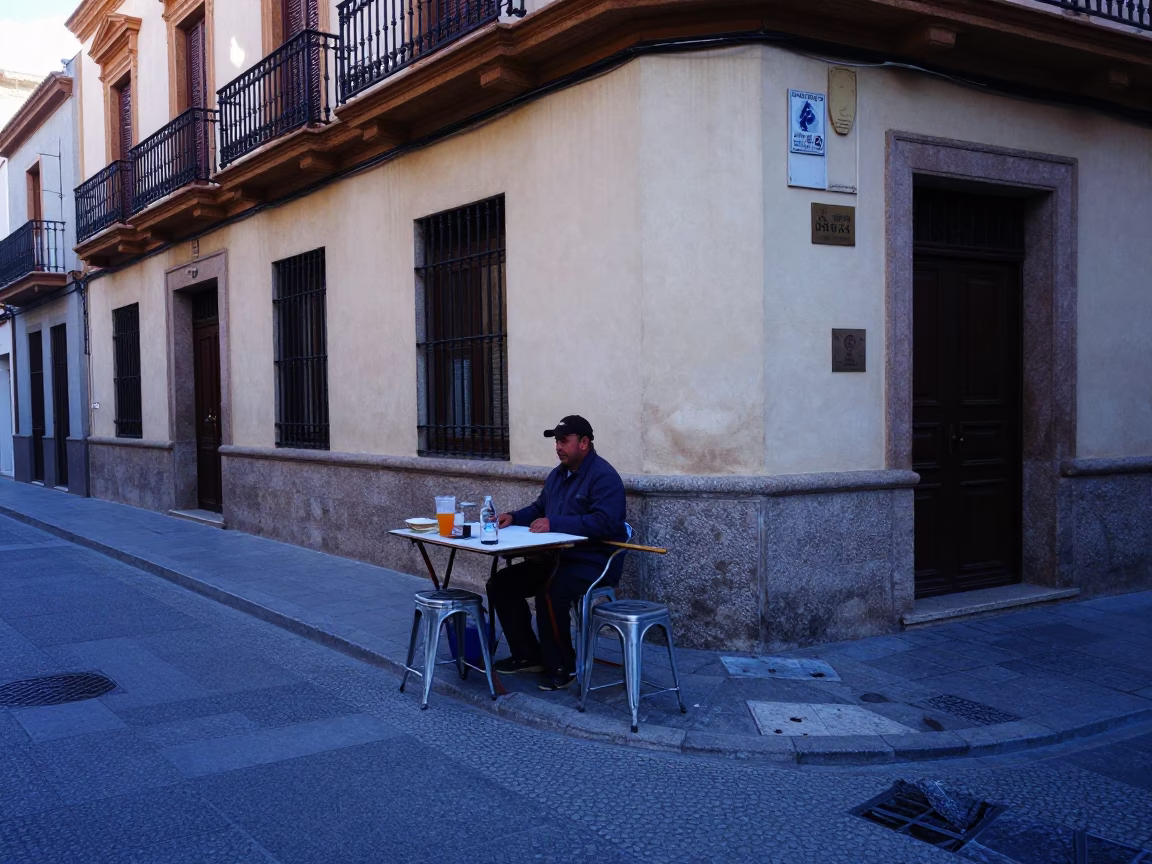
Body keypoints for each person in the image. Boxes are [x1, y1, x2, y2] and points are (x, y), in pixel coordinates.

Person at [487, 415, 627, 690]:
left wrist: (557, 523)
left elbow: (605, 522)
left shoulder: (603, 476)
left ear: (584, 443)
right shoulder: (558, 475)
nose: (558, 447)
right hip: (557, 558)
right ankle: (528, 656)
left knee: (550, 593)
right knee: (501, 584)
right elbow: (540, 509)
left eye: (564, 441)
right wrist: (513, 517)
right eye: (557, 442)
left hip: (594, 560)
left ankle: (563, 666)